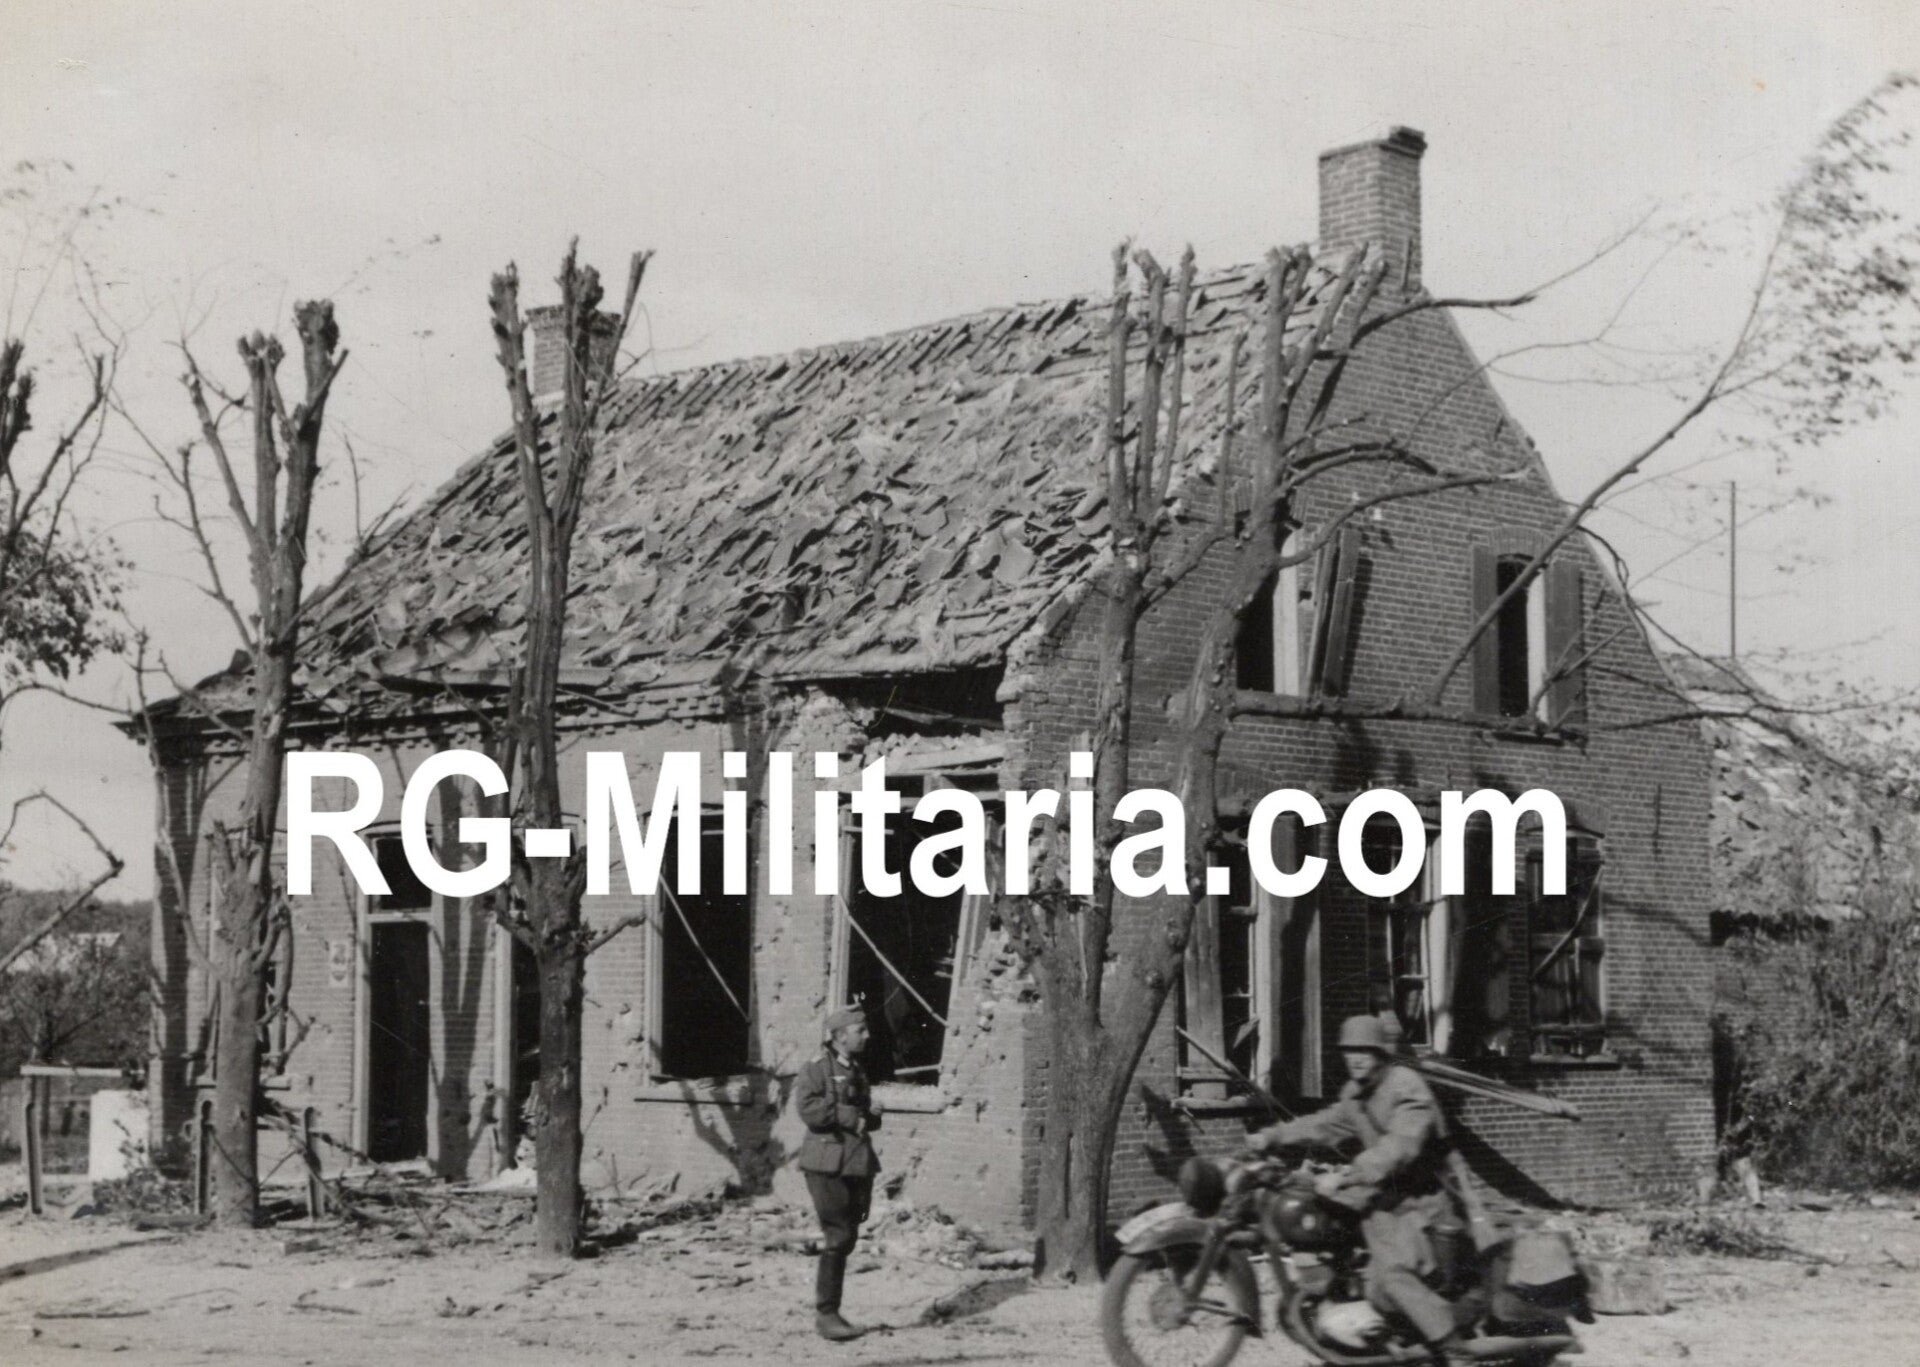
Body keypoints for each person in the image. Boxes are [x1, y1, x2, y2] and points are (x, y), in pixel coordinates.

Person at [1255, 1013, 1473, 1367]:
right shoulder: (1356, 1095)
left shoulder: (1408, 1087)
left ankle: (1452, 1347)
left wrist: (1347, 1176)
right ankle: (1343, 1310)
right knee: (1323, 1217)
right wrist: (1272, 1136)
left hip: (1424, 1202)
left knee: (1390, 1275)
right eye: (1348, 1051)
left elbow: (1399, 1148)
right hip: (1385, 1196)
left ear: (1381, 1052)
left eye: (1364, 1050)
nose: (1354, 1058)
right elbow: (1323, 1124)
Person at [795, 1005, 883, 1342]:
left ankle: (831, 1312)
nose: (867, 1035)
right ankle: (827, 1315)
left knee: (849, 1234)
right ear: (839, 1036)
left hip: (856, 1163)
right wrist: (853, 1116)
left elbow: (862, 1116)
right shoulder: (815, 1069)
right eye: (860, 1031)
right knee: (838, 1236)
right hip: (826, 1164)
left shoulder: (857, 1070)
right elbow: (810, 1110)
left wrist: (871, 1114)